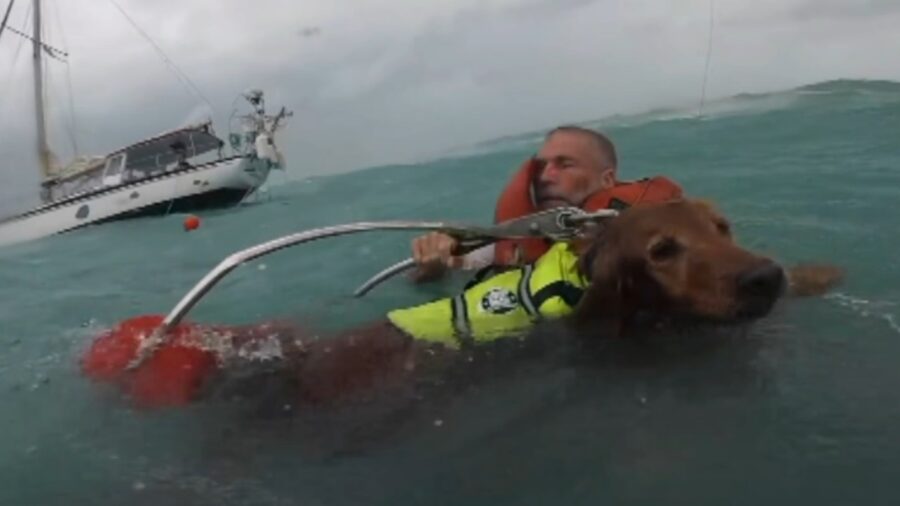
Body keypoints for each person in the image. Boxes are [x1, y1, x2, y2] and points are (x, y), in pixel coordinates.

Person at [410, 125, 683, 282]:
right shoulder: (513, 236)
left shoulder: (653, 235)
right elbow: (438, 276)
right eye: (541, 166)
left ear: (608, 179)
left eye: (565, 165)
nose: (545, 176)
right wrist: (434, 264)